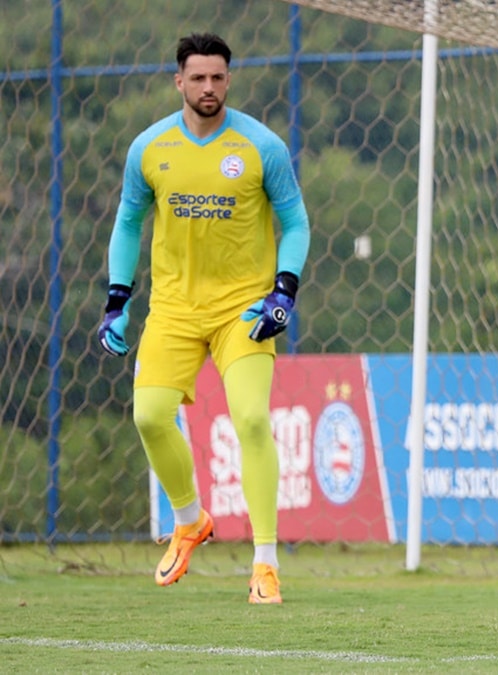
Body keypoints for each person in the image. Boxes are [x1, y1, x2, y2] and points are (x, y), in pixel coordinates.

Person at [97, 32, 311, 605]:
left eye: (218, 77)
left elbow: (296, 224)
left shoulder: (261, 146)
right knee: (148, 416)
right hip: (171, 309)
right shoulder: (150, 148)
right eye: (198, 78)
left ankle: (265, 564)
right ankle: (189, 519)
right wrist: (117, 300)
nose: (209, 87)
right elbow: (126, 224)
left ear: (229, 80)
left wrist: (282, 292)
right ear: (179, 82)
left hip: (242, 308)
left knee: (251, 421)